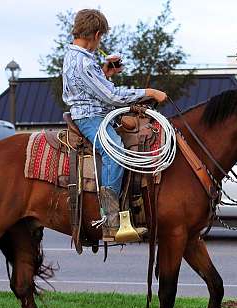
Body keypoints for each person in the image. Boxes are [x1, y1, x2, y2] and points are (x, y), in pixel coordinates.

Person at [62, 9, 167, 240]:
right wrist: (149, 92)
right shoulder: (83, 61)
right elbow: (112, 97)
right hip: (90, 118)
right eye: (102, 37)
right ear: (97, 34)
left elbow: (92, 88)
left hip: (92, 112)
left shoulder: (77, 56)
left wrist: (105, 73)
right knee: (115, 152)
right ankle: (110, 221)